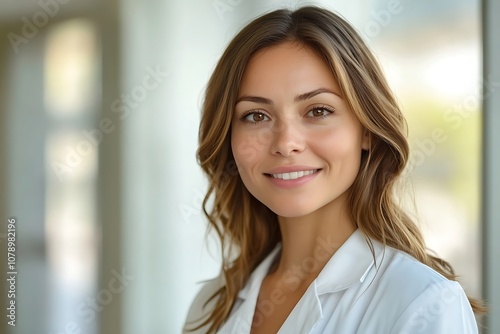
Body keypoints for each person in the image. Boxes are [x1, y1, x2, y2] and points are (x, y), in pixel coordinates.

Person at [183, 5, 485, 334]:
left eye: (317, 111)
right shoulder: (211, 305)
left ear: (367, 130)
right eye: (256, 116)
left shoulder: (422, 303)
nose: (286, 143)